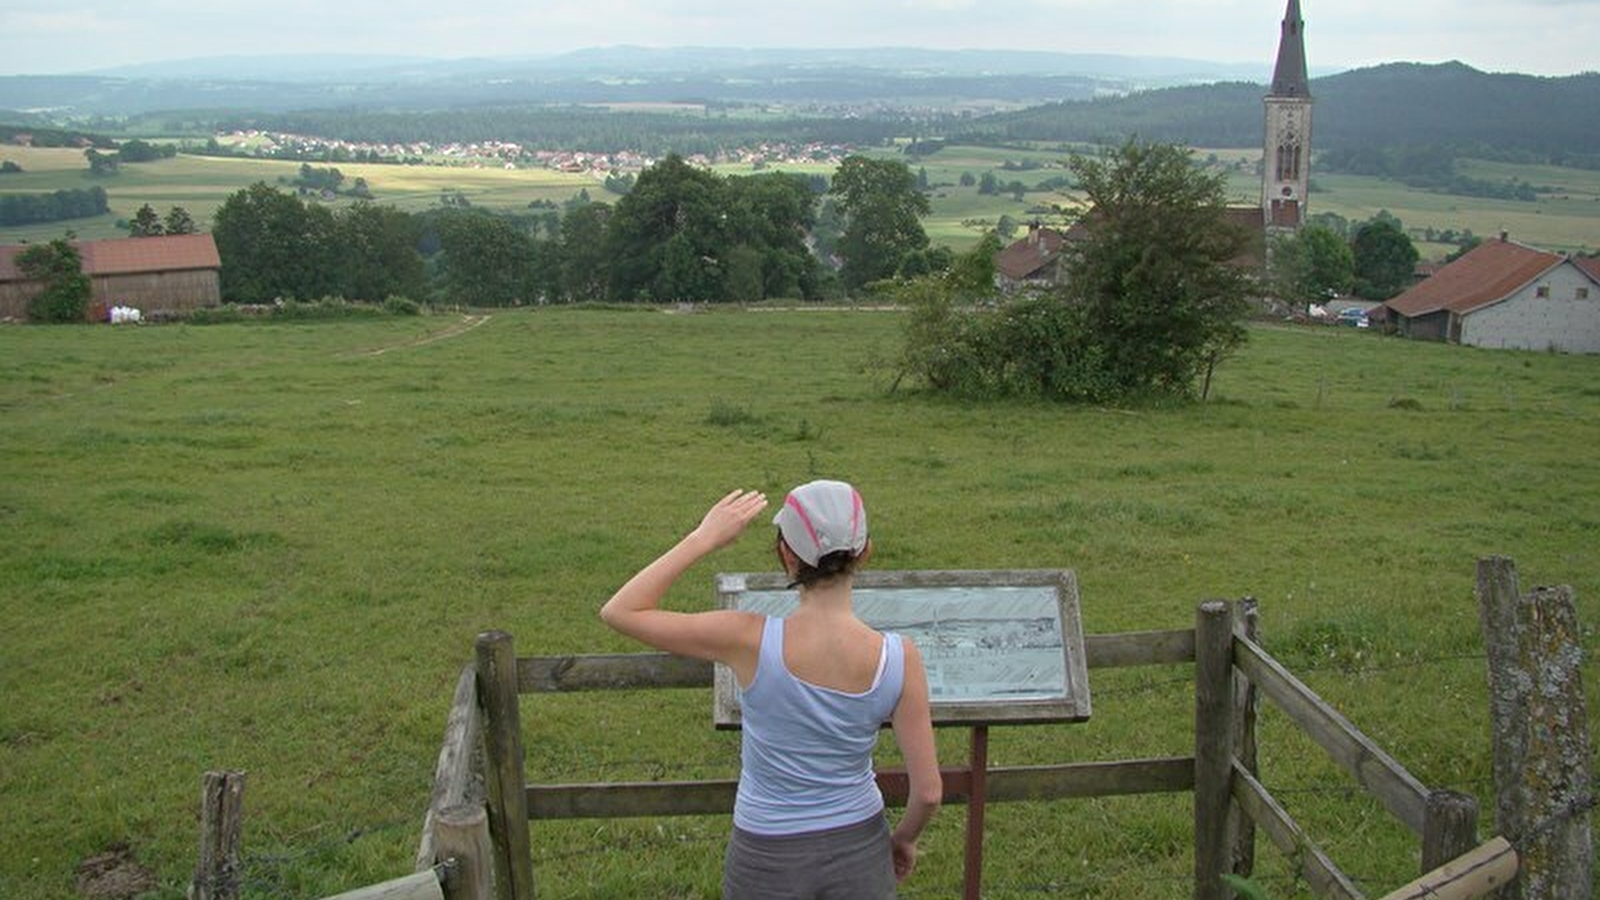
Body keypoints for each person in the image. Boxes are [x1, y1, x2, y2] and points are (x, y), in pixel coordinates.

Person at [600, 480, 941, 898]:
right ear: (864, 551)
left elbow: (621, 610)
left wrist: (703, 538)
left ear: (786, 555)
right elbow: (927, 793)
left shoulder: (748, 640)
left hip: (765, 853)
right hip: (860, 848)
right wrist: (903, 839)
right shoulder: (900, 657)